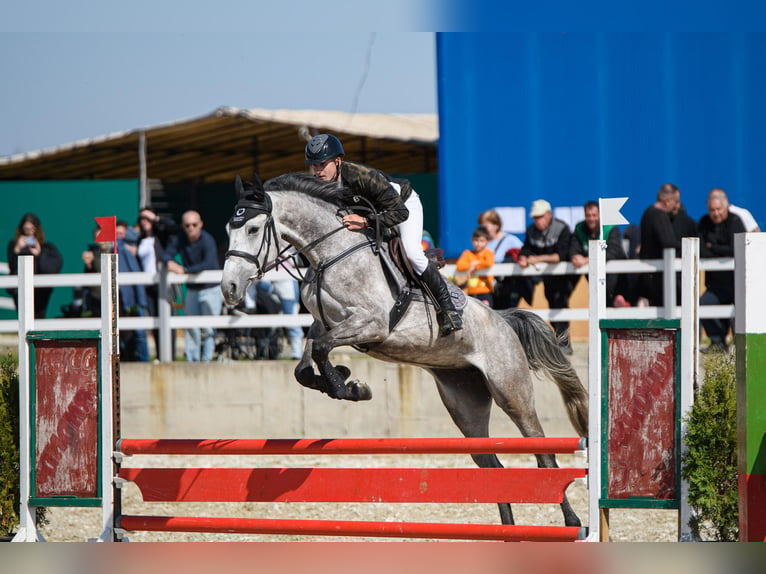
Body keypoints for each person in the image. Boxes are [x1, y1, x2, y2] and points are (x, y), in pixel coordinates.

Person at [304, 133, 462, 337]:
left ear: (338, 161)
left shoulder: (361, 176)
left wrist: (366, 221)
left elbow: (400, 212)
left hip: (403, 205)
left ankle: (448, 309)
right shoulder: (321, 186)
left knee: (412, 252)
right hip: (374, 213)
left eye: (322, 164)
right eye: (314, 165)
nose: (317, 171)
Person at [162, 210, 222, 362]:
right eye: (187, 225)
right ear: (183, 226)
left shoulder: (207, 239)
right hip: (192, 289)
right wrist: (169, 263)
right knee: (190, 327)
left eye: (194, 224)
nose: (191, 228)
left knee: (209, 328)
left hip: (211, 289)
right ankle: (192, 361)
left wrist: (184, 270)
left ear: (200, 224)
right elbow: (166, 255)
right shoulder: (181, 238)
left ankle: (206, 361)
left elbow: (208, 263)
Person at [517, 199, 576, 354]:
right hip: (548, 277)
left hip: (565, 276)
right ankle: (561, 342)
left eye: (540, 217)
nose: (537, 220)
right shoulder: (531, 230)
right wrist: (523, 258)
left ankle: (564, 343)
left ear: (549, 214)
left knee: (559, 303)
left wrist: (537, 259)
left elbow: (560, 256)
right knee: (552, 304)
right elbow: (526, 248)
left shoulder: (562, 228)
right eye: (535, 217)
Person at [698, 193, 746, 353]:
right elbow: (701, 249)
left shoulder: (735, 222)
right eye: (712, 210)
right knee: (704, 303)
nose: (716, 213)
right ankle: (717, 343)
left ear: (726, 207)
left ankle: (741, 346)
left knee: (739, 313)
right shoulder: (704, 223)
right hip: (716, 285)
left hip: (738, 283)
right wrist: (719, 252)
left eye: (718, 209)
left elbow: (737, 249)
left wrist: (714, 248)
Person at [136, 206, 178, 360]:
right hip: (147, 286)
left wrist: (155, 218)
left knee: (167, 318)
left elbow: (173, 226)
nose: (144, 221)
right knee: (154, 321)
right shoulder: (140, 240)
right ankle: (160, 355)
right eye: (142, 218)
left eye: (148, 218)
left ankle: (170, 355)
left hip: (162, 284)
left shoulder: (161, 236)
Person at [569, 200, 629, 307]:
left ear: (600, 215)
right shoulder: (580, 229)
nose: (591, 219)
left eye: (594, 215)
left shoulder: (610, 228)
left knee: (617, 309)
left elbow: (612, 253)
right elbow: (573, 248)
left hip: (617, 279)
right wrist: (574, 256)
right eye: (588, 215)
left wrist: (586, 259)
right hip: (594, 280)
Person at [6, 213, 63, 318]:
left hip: (40, 290)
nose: (28, 233)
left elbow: (50, 268)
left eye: (31, 229)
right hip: (19, 288)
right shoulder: (14, 245)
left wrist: (39, 254)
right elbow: (12, 266)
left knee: (39, 317)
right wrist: (17, 250)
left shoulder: (47, 248)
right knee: (24, 317)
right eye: (25, 229)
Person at [638, 184, 680, 307]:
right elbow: (668, 242)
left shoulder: (647, 212)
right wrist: (683, 245)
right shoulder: (659, 215)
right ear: (667, 201)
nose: (676, 205)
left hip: (647, 273)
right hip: (658, 277)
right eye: (676, 201)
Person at [477, 209, 524, 309]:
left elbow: (523, 254)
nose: (483, 230)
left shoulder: (511, 240)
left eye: (485, 226)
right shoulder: (483, 242)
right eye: (482, 226)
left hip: (508, 287)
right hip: (489, 288)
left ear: (496, 225)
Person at [455, 226, 494, 306]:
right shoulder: (467, 253)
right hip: (471, 293)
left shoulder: (488, 253)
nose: (478, 243)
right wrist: (471, 265)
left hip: (485, 292)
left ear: (487, 241)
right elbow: (460, 266)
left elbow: (488, 263)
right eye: (476, 240)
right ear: (472, 240)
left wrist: (475, 266)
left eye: (482, 241)